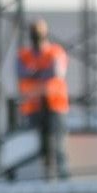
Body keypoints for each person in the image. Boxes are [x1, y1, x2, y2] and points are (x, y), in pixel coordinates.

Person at [17, 18, 69, 180]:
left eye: (39, 30)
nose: (37, 34)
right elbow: (21, 72)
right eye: (34, 30)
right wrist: (42, 71)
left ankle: (62, 179)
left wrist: (34, 72)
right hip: (33, 107)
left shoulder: (55, 51)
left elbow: (55, 72)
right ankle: (41, 179)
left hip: (55, 106)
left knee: (58, 147)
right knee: (36, 148)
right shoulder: (23, 54)